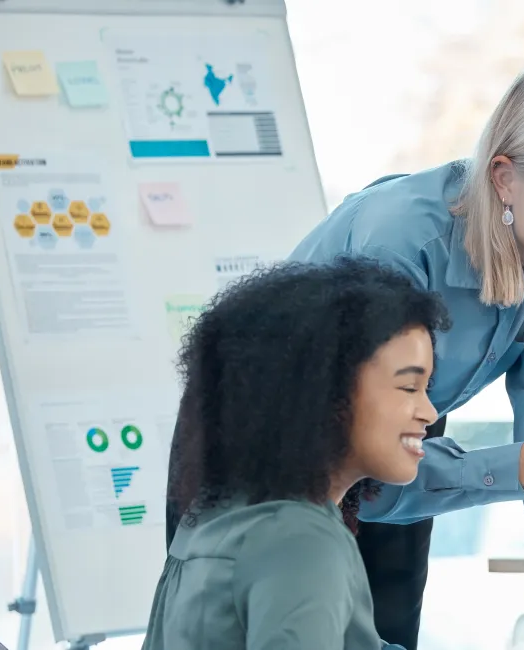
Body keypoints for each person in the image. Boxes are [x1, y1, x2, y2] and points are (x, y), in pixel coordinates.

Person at [287, 64, 524, 650]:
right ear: (505, 178)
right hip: (280, 454)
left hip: (400, 443)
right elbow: (367, 469)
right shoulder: (398, 241)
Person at [145, 257, 449, 649]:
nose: (430, 412)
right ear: (324, 392)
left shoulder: (214, 517)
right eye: (409, 387)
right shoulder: (303, 542)